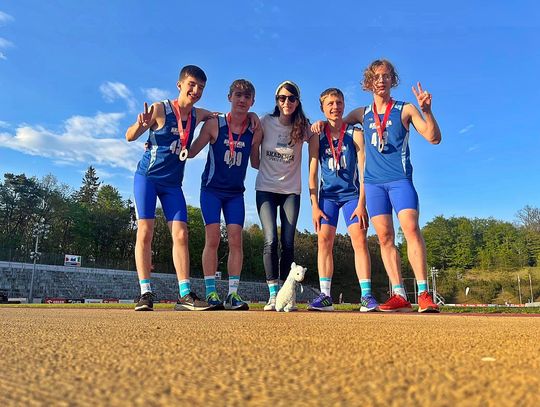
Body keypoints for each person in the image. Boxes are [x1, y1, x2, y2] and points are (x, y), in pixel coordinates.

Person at [341, 59, 442, 313]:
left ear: (392, 79)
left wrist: (427, 111)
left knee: (410, 229)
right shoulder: (360, 113)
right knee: (385, 237)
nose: (381, 80)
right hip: (374, 185)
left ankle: (424, 293)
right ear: (368, 81)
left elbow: (433, 138)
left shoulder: (405, 109)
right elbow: (335, 126)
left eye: (386, 76)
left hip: (400, 180)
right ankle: (399, 293)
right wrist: (319, 125)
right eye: (376, 76)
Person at [125, 65, 215, 311]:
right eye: (192, 85)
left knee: (182, 234)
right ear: (180, 85)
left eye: (201, 88)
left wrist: (249, 117)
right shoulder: (159, 109)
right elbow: (130, 136)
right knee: (145, 231)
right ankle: (145, 293)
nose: (196, 91)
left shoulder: (197, 114)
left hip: (172, 185)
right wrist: (140, 125)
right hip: (148, 179)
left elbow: (218, 116)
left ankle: (185, 294)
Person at [188, 79, 262, 310]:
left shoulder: (253, 128)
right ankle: (211, 292)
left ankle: (232, 294)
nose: (242, 100)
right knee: (213, 239)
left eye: (247, 96)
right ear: (229, 97)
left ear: (252, 101)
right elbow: (190, 152)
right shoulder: (214, 125)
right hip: (211, 190)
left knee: (236, 241)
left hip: (235, 194)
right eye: (238, 95)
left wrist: (261, 139)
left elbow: (256, 163)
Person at [307, 88, 376, 312]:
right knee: (324, 241)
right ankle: (325, 296)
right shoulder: (316, 136)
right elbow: (312, 172)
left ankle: (366, 296)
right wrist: (315, 205)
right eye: (330, 104)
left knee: (359, 241)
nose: (335, 107)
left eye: (338, 102)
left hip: (352, 196)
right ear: (323, 108)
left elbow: (364, 170)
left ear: (344, 105)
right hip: (328, 197)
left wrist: (362, 203)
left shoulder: (355, 134)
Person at [252, 80, 311, 311]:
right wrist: (262, 165)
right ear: (277, 100)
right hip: (266, 189)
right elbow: (254, 156)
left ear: (298, 101)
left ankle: (289, 296)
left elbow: (320, 135)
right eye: (282, 98)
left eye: (292, 98)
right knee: (270, 240)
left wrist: (318, 127)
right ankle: (273, 295)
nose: (287, 102)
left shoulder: (303, 125)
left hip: (290, 192)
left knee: (288, 243)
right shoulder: (266, 121)